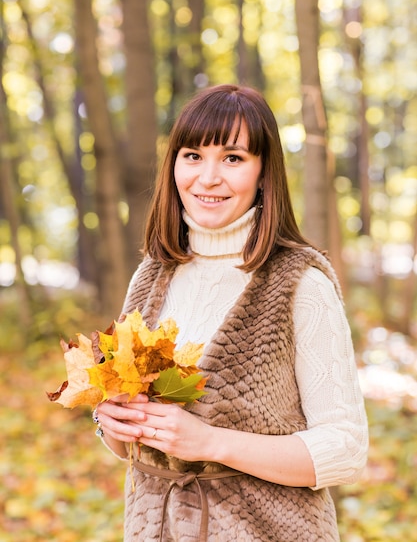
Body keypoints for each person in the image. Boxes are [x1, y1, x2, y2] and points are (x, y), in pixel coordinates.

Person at [95, 84, 368, 542]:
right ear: (174, 165)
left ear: (264, 173)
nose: (208, 178)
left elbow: (346, 449)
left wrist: (211, 443)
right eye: (193, 156)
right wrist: (113, 421)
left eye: (233, 158)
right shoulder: (151, 276)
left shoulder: (301, 283)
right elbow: (127, 446)